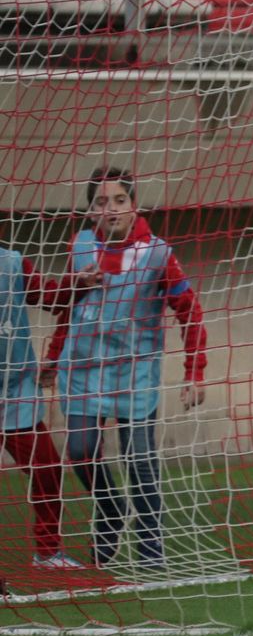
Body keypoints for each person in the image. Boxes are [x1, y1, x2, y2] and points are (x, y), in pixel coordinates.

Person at [49, 166, 208, 569]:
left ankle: (151, 549)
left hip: (134, 374)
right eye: (101, 202)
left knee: (139, 460)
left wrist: (195, 371)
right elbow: (68, 306)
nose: (111, 209)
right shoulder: (81, 245)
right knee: (81, 451)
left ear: (133, 205)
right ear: (90, 212)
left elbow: (189, 311)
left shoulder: (157, 252)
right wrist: (54, 355)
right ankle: (110, 510)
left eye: (119, 200)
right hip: (83, 369)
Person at [1, 243, 89, 571]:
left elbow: (50, 297)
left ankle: (48, 552)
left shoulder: (11, 263)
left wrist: (78, 282)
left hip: (15, 393)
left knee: (48, 469)